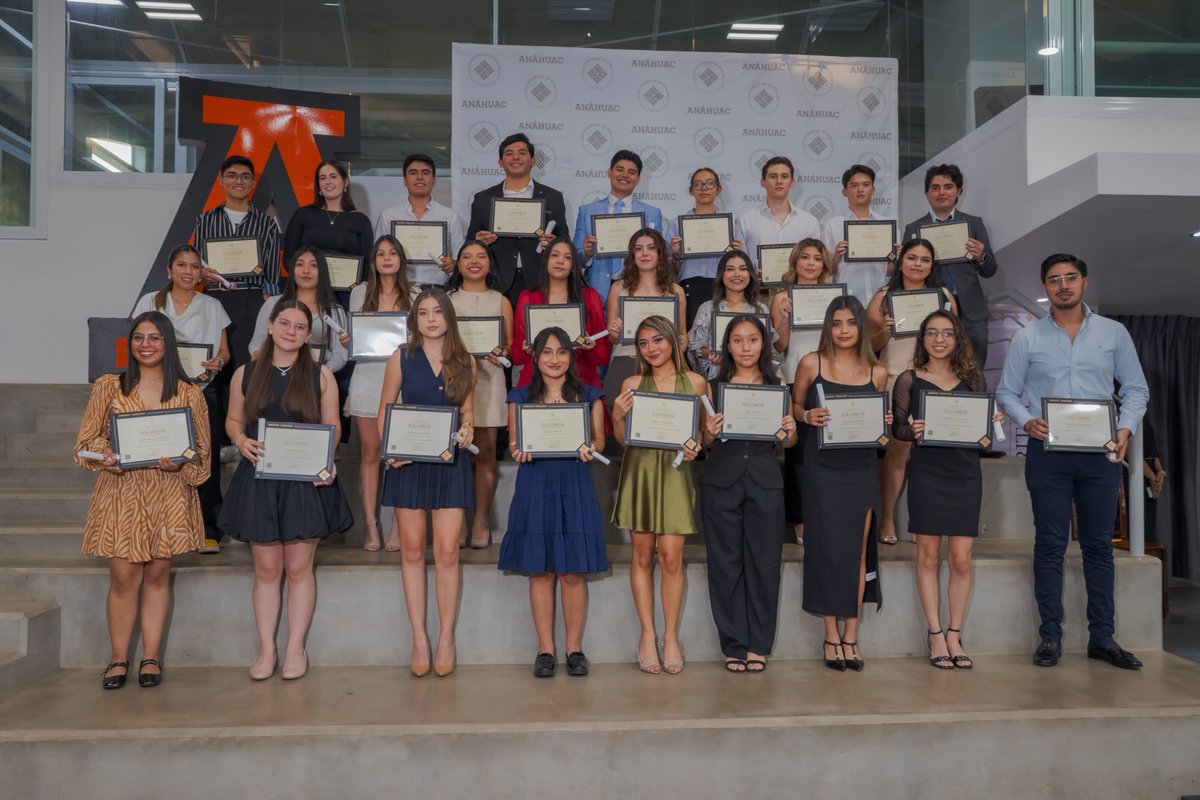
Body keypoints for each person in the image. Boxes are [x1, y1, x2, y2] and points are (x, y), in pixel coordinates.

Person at [997, 254, 1149, 670]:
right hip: (1047, 455)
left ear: (1084, 281)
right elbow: (1006, 393)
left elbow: (1136, 389)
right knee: (1050, 545)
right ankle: (1050, 637)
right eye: (1053, 280)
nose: (1063, 285)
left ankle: (1103, 638)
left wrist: (1126, 429)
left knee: (1099, 546)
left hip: (1100, 455)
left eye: (1070, 278)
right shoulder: (1027, 337)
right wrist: (1027, 418)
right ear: (1045, 288)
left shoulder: (1114, 333)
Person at [75, 312, 211, 690]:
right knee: (122, 577)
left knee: (156, 574)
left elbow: (202, 455)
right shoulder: (109, 386)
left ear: (168, 343)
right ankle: (118, 658)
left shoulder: (189, 393)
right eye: (139, 338)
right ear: (130, 344)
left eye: (154, 338)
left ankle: (150, 656)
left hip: (168, 494)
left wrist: (181, 461)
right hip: (122, 492)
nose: (146, 345)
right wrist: (110, 456)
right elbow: (85, 443)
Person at [219, 300, 353, 681]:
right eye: (284, 323)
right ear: (271, 325)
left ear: (308, 335)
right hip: (260, 477)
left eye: (299, 327)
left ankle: (295, 648)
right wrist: (240, 439)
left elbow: (334, 427)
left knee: (298, 567)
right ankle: (266, 649)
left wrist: (327, 460)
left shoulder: (321, 375)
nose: (290, 331)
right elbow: (232, 419)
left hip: (304, 481)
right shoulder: (245, 373)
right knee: (266, 569)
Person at [891, 310, 1003, 669]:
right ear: (922, 338)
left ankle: (955, 633)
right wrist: (916, 430)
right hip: (927, 473)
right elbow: (898, 430)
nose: (939, 340)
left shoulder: (973, 380)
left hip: (964, 474)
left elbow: (983, 441)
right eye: (932, 333)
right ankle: (935, 633)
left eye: (948, 334)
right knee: (927, 556)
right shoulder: (909, 379)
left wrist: (991, 426)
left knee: (960, 560)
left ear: (958, 340)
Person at [498, 327, 609, 677]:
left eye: (562, 352)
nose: (555, 359)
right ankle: (545, 649)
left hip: (575, 483)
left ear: (572, 356)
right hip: (536, 484)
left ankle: (574, 648)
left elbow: (600, 442)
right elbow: (515, 443)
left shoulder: (589, 395)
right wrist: (519, 450)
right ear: (535, 356)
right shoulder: (518, 396)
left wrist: (591, 449)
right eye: (547, 352)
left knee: (572, 571)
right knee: (541, 571)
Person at [378, 288, 477, 677]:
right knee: (413, 551)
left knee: (449, 552)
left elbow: (467, 411)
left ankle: (446, 637)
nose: (431, 319)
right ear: (414, 319)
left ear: (449, 317)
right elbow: (386, 408)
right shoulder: (401, 357)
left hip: (450, 463)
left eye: (438, 312)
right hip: (407, 463)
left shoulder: (465, 360)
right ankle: (419, 637)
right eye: (423, 313)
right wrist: (389, 450)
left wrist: (467, 428)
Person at [792, 296, 890, 672]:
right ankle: (830, 634)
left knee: (858, 552)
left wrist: (882, 423)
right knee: (824, 550)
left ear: (861, 328)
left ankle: (852, 634)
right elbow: (793, 408)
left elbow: (880, 430)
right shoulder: (810, 363)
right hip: (821, 467)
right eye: (837, 323)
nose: (844, 330)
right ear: (827, 327)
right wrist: (807, 415)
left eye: (851, 322)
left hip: (861, 469)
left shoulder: (877, 372)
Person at [700, 315, 798, 673]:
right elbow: (702, 441)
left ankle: (759, 643)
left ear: (764, 345)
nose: (745, 347)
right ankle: (734, 644)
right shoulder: (713, 386)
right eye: (738, 340)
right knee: (724, 564)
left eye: (752, 340)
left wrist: (789, 431)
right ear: (728, 345)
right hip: (721, 479)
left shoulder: (777, 385)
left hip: (765, 479)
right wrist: (709, 433)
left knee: (765, 563)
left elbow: (789, 441)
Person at [611, 315, 706, 675]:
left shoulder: (696, 383)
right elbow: (624, 440)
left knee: (670, 557)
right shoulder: (632, 382)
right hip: (641, 471)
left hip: (676, 474)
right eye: (644, 343)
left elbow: (702, 437)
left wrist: (699, 444)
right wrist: (618, 417)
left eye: (658, 341)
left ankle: (670, 636)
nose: (651, 349)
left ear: (674, 342)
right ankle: (647, 635)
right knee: (640, 555)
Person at [131, 244, 230, 554]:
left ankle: (208, 528)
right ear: (169, 270)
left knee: (204, 457)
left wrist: (220, 362)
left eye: (195, 266)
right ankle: (157, 526)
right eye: (182, 265)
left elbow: (225, 351)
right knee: (158, 458)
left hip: (201, 391)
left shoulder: (212, 306)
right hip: (157, 393)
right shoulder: (150, 302)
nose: (189, 272)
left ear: (202, 272)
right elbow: (138, 343)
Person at [867, 239, 957, 545]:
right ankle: (889, 518)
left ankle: (923, 521)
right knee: (898, 450)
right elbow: (868, 347)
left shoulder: (943, 297)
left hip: (937, 381)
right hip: (897, 379)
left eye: (925, 259)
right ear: (900, 261)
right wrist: (885, 331)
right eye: (912, 258)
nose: (918, 264)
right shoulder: (883, 297)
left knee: (930, 453)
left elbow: (955, 341)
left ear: (932, 265)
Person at [345, 235, 418, 552]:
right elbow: (354, 338)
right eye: (380, 253)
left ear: (401, 259)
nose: (386, 258)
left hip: (403, 378)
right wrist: (351, 342)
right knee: (371, 454)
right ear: (373, 260)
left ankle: (397, 526)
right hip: (367, 376)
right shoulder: (359, 292)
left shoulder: (415, 295)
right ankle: (372, 526)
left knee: (398, 456)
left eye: (392, 253)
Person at [447, 240, 513, 549]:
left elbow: (509, 345)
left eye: (481, 256)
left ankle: (481, 519)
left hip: (490, 379)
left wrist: (501, 353)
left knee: (485, 452)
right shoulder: (447, 300)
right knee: (458, 452)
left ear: (489, 263)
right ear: (457, 264)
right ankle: (458, 519)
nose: (474, 261)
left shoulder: (501, 301)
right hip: (454, 380)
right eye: (467, 256)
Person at [768, 238, 835, 542]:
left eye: (817, 258)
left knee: (828, 452)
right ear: (795, 262)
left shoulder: (836, 297)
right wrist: (783, 315)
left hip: (830, 376)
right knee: (798, 454)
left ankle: (827, 515)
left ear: (825, 264)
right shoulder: (781, 296)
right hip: (794, 376)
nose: (811, 263)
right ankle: (800, 518)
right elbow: (779, 346)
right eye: (805, 257)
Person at [901, 164, 998, 368]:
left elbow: (989, 270)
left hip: (972, 309)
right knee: (936, 366)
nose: (942, 192)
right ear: (926, 193)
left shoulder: (974, 223)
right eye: (935, 188)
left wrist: (981, 256)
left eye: (948, 186)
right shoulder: (913, 228)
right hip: (931, 306)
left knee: (975, 366)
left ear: (959, 191)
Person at [249, 248, 352, 434]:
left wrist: (319, 375)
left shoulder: (335, 311)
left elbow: (340, 354)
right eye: (299, 264)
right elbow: (256, 342)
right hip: (274, 381)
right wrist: (258, 355)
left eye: (313, 266)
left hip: (317, 385)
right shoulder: (273, 303)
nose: (306, 271)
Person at [193, 154, 282, 366]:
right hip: (215, 297)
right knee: (215, 361)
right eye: (232, 176)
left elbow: (272, 274)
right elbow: (196, 263)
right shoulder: (204, 220)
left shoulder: (266, 224)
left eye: (245, 177)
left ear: (252, 183)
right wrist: (201, 274)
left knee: (247, 364)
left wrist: (269, 303)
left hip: (252, 301)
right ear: (221, 180)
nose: (238, 181)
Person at [466, 133, 570, 308]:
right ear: (500, 162)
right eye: (509, 153)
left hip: (540, 282)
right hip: (496, 283)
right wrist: (479, 241)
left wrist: (554, 243)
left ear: (533, 160)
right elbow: (469, 243)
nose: (515, 157)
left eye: (522, 152)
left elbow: (565, 241)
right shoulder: (483, 199)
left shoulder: (553, 197)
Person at [603, 228, 688, 423]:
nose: (645, 253)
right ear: (632, 254)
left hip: (665, 364)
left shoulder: (676, 292)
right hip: (626, 358)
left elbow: (683, 336)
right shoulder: (618, 288)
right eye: (639, 249)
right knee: (623, 420)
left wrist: (678, 347)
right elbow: (611, 337)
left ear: (660, 253)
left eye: (651, 248)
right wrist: (614, 331)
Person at [512, 237, 610, 390]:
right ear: (546, 261)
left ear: (573, 265)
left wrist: (590, 348)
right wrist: (528, 350)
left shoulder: (589, 296)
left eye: (567, 257)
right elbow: (517, 355)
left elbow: (603, 355)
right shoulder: (528, 297)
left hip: (581, 379)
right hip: (538, 381)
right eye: (555, 255)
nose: (560, 261)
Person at [574, 149, 664, 295]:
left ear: (638, 179)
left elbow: (659, 256)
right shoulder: (587, 211)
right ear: (609, 172)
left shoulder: (652, 213)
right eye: (620, 169)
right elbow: (574, 258)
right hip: (596, 292)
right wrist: (586, 253)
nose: (625, 175)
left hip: (637, 290)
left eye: (631, 172)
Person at [667, 167, 745, 330]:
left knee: (724, 336)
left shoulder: (731, 225)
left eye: (710, 183)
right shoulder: (676, 224)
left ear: (718, 189)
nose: (704, 188)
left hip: (724, 287)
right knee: (692, 341)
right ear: (691, 191)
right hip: (690, 289)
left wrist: (737, 254)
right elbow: (669, 271)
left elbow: (743, 266)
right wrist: (676, 255)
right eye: (698, 184)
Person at [374, 153, 465, 289]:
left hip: (438, 289)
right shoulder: (388, 217)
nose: (420, 177)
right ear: (405, 180)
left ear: (434, 180)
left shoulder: (450, 217)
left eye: (425, 173)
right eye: (413, 173)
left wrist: (454, 264)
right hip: (400, 289)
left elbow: (460, 258)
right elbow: (377, 257)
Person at [687, 249, 774, 381]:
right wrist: (709, 353)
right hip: (717, 377)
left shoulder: (760, 310)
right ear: (722, 274)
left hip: (755, 380)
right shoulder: (707, 308)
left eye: (743, 269)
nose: (737, 274)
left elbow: (769, 349)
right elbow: (694, 347)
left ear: (750, 274)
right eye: (730, 269)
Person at [822, 164, 894, 306]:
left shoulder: (886, 225)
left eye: (866, 185)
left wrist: (895, 257)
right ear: (845, 191)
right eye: (854, 185)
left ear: (873, 190)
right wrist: (836, 257)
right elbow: (825, 272)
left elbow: (890, 270)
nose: (860, 190)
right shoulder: (832, 225)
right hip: (846, 299)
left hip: (880, 299)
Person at [282, 159, 374, 268]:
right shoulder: (302, 215)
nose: (328, 182)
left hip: (348, 284)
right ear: (318, 185)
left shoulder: (360, 221)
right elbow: (289, 258)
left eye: (333, 177)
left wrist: (361, 284)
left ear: (345, 182)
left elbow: (368, 265)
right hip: (309, 283)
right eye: (322, 178)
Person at [737, 156, 820, 271]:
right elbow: (741, 263)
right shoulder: (746, 220)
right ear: (763, 182)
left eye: (785, 176)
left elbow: (817, 262)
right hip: (758, 288)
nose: (779, 181)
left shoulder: (810, 222)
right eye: (773, 176)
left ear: (792, 182)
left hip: (797, 288)